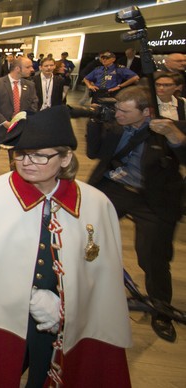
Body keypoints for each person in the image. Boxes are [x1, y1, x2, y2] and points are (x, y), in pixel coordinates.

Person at [0, 106, 132, 388]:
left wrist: (67, 306)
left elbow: (102, 277)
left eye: (40, 155)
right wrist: (31, 297)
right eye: (20, 154)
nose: (27, 162)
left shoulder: (96, 204)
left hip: (66, 325)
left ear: (66, 157)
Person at [86, 86, 186, 342]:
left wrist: (174, 135)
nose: (118, 114)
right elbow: (93, 153)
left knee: (153, 254)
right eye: (117, 108)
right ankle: (83, 290)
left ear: (145, 112)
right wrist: (95, 123)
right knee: (84, 233)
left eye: (125, 111)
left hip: (153, 197)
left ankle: (160, 308)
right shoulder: (113, 124)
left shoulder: (166, 129)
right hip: (115, 188)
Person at [0, 56, 38, 180]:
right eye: (28, 67)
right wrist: (4, 122)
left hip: (19, 128)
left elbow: (34, 104)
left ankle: (15, 176)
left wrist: (23, 120)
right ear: (18, 68)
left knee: (16, 154)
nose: (31, 69)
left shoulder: (30, 85)